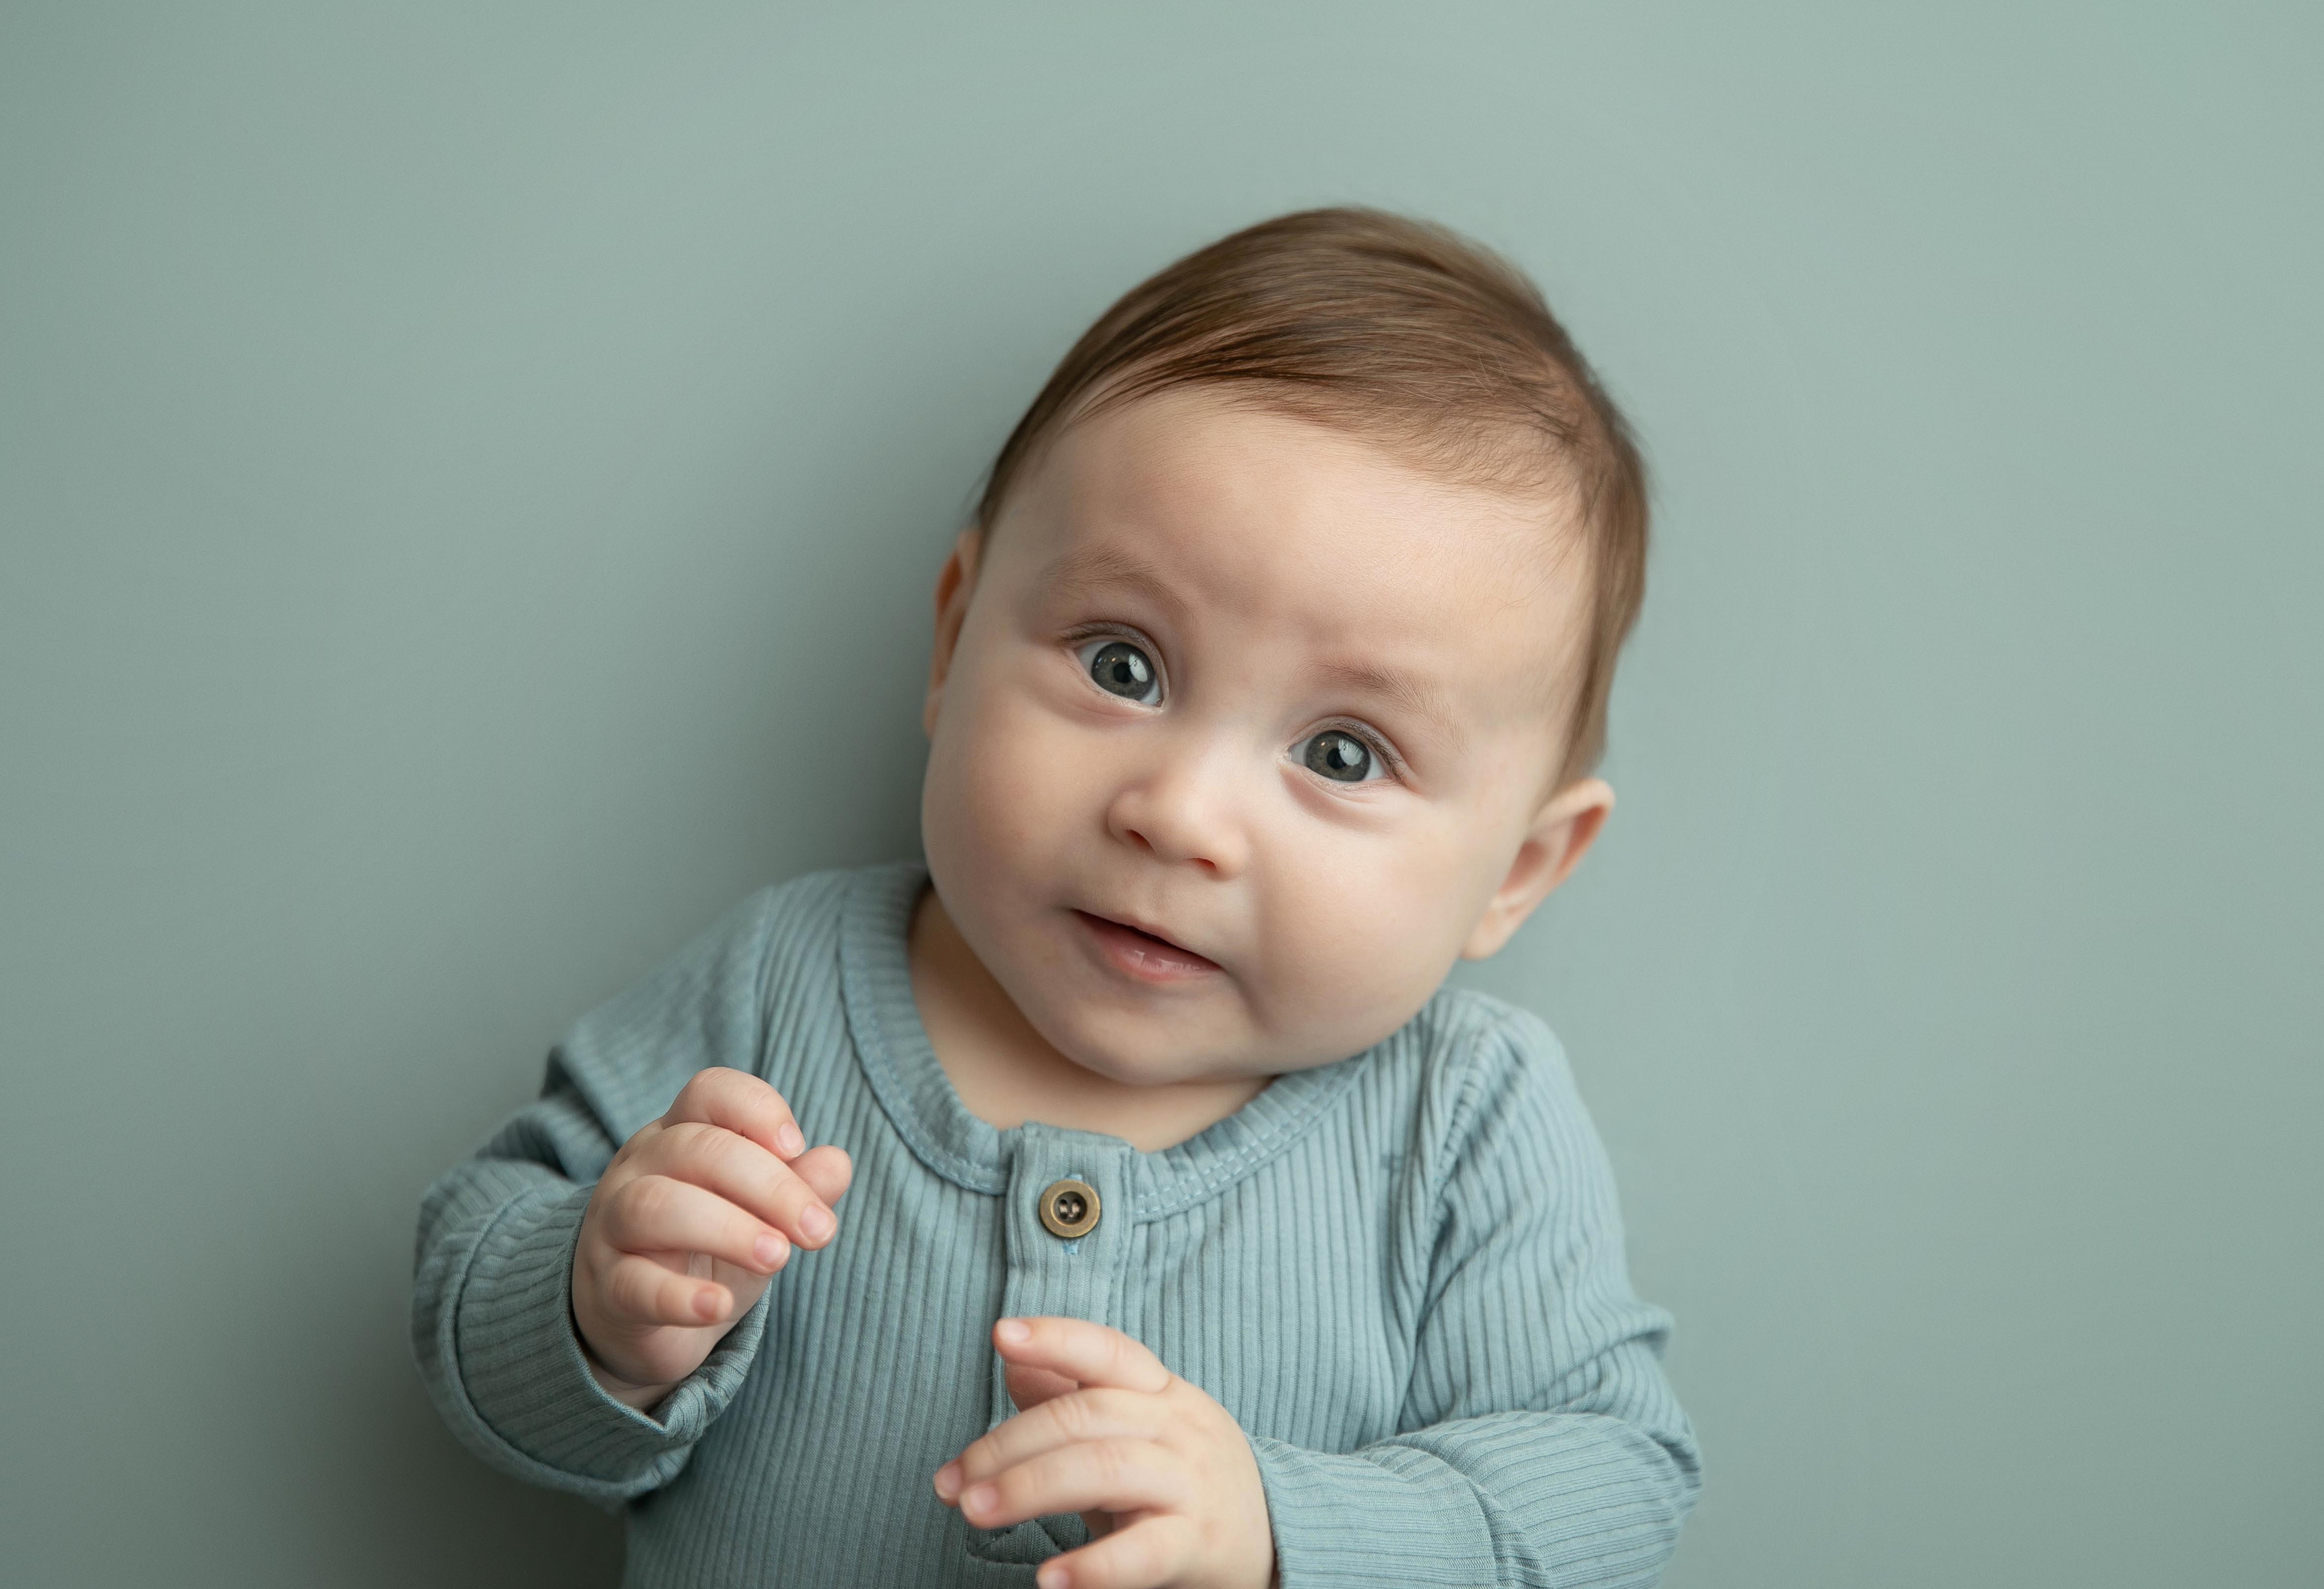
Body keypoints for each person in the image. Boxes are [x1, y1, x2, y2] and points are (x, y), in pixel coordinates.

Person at [412, 207, 1702, 1589]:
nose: (1180, 813)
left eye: (1342, 753)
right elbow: (469, 1269)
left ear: (1514, 871)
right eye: (1123, 665)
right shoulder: (781, 985)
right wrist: (596, 1304)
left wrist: (1284, 1529)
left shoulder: (1470, 1119)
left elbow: (1612, 1483)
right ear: (958, 632)